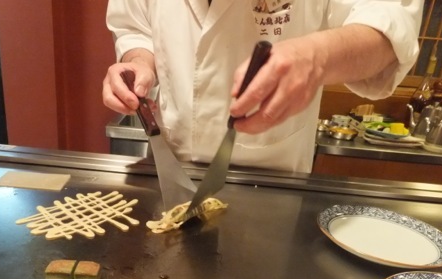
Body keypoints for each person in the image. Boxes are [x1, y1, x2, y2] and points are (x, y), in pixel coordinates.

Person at [102, 1, 423, 173]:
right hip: (170, 165)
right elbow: (134, 25)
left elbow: (390, 29)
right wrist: (140, 61)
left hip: (273, 175)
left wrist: (317, 56)